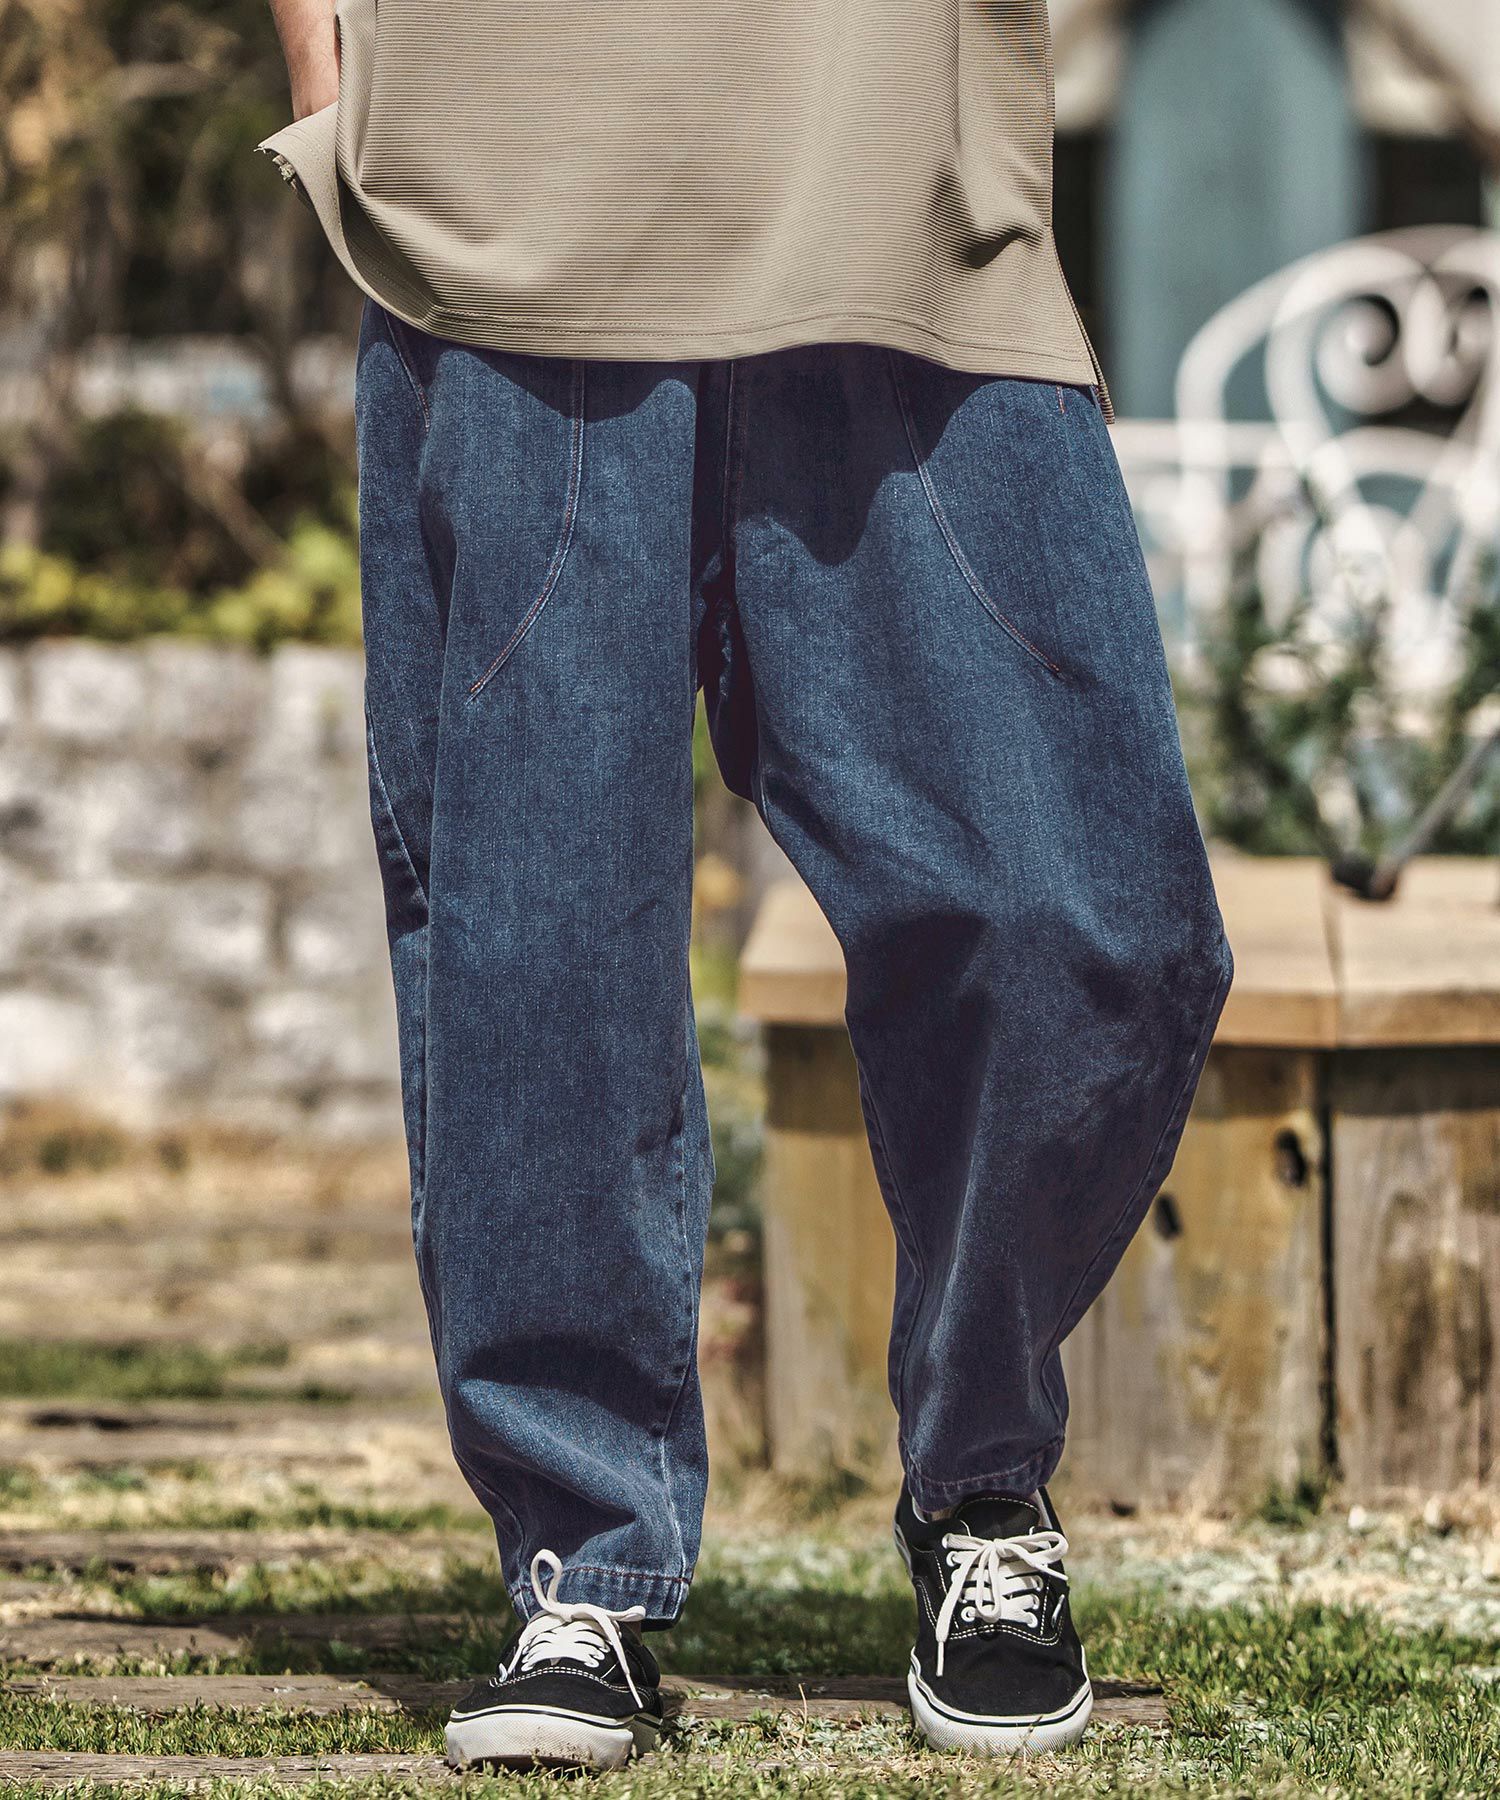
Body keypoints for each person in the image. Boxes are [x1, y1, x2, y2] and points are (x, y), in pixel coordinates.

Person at [263, 0, 1232, 1770]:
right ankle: (583, 1560)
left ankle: (980, 1471)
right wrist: (325, 68)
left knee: (1081, 912)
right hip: (507, 189)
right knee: (539, 935)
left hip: (897, 195)